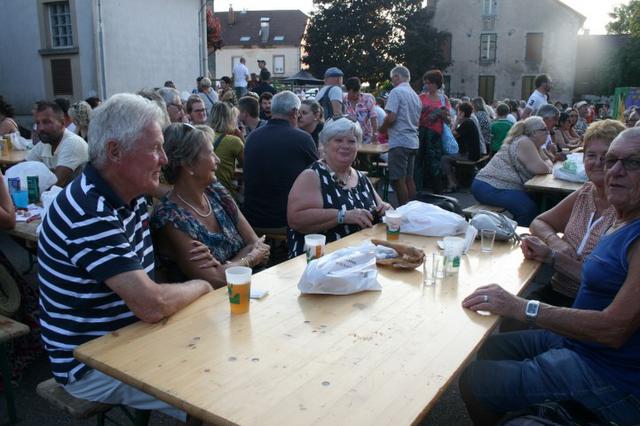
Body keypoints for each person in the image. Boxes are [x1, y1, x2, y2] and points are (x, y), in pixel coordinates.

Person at [38, 93, 214, 423]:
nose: (164, 159)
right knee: (210, 389)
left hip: (128, 336)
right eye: (155, 148)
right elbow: (152, 304)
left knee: (224, 352)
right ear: (115, 152)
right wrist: (203, 286)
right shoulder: (88, 212)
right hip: (89, 362)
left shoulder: (126, 192)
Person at [459, 127, 640, 426]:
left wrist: (523, 307)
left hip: (608, 371)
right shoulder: (623, 218)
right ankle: (528, 407)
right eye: (610, 160)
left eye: (633, 162)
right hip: (581, 343)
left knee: (475, 380)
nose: (614, 171)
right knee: (492, 346)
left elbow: (613, 330)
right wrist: (553, 255)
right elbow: (546, 228)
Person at [520, 119, 625, 306]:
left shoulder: (627, 209)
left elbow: (607, 283)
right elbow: (539, 223)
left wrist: (552, 257)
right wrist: (556, 242)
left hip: (595, 305)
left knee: (513, 314)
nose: (598, 163)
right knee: (508, 318)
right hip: (559, 291)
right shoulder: (586, 192)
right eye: (591, 155)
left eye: (607, 157)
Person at [151, 123, 269, 287]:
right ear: (188, 165)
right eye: (211, 153)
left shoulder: (215, 191)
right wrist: (250, 259)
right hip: (207, 308)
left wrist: (226, 267)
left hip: (246, 292)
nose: (218, 160)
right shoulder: (170, 217)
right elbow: (216, 280)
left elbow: (258, 245)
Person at [287, 117, 391, 257]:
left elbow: (382, 207)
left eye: (351, 141)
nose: (345, 145)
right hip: (320, 261)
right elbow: (296, 219)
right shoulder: (312, 175)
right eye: (338, 140)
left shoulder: (360, 177)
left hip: (360, 256)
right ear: (326, 144)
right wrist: (343, 216)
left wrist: (386, 209)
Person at [243, 91, 318, 231]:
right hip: (285, 218)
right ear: (295, 112)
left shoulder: (252, 137)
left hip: (252, 217)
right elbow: (319, 173)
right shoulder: (303, 138)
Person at [471, 116, 553, 226]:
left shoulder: (533, 144)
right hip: (490, 186)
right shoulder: (524, 141)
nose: (548, 133)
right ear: (534, 132)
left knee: (538, 200)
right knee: (528, 209)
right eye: (544, 129)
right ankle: (518, 237)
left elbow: (548, 163)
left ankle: (523, 232)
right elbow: (543, 169)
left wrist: (547, 163)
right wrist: (547, 163)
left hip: (498, 186)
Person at [379, 66, 421, 206]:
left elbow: (391, 117)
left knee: (399, 180)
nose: (392, 82)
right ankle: (413, 209)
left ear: (397, 77)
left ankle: (403, 211)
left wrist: (382, 129)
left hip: (399, 141)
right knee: (409, 178)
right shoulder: (415, 95)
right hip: (413, 140)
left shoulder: (396, 92)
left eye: (392, 79)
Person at [27, 101, 88, 186]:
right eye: (38, 123)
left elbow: (55, 183)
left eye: (47, 122)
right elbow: (23, 168)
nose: (40, 128)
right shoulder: (45, 143)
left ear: (62, 123)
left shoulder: (73, 143)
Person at [416, 69, 451, 193]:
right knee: (418, 162)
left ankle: (437, 192)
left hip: (435, 134)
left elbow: (448, 121)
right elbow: (415, 116)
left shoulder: (443, 99)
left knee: (434, 163)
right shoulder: (420, 97)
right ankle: (417, 191)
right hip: (421, 133)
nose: (427, 85)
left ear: (436, 83)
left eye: (429, 82)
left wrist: (441, 114)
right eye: (426, 82)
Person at [441, 102, 481, 193]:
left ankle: (452, 183)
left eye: (458, 111)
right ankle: (455, 181)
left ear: (462, 113)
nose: (456, 114)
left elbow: (451, 136)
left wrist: (456, 121)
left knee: (444, 159)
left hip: (469, 155)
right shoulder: (469, 122)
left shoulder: (466, 123)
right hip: (473, 153)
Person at [209, 102, 244, 198]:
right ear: (230, 119)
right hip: (224, 193)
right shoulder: (234, 141)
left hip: (206, 191)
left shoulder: (203, 136)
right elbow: (248, 166)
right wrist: (241, 137)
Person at [343, 77, 378, 144]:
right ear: (348, 91)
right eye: (353, 92)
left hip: (366, 138)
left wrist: (375, 134)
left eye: (357, 92)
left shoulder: (367, 98)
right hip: (348, 138)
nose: (355, 95)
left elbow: (373, 117)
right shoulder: (343, 100)